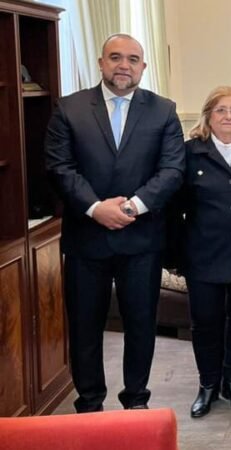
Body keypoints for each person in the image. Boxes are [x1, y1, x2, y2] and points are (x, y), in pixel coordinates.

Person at [44, 33, 185, 412]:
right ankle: (89, 403)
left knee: (141, 325)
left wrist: (132, 207)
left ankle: (136, 400)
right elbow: (59, 167)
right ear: (101, 63)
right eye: (116, 58)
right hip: (86, 239)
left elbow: (172, 170)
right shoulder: (69, 108)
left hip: (142, 240)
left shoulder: (164, 110)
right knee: (85, 326)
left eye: (133, 59)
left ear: (143, 66)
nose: (124, 65)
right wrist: (94, 208)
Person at [169, 86, 231, 418]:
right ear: (208, 115)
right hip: (204, 255)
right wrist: (176, 256)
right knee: (205, 323)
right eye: (221, 110)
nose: (228, 117)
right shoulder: (190, 152)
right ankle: (208, 385)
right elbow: (174, 210)